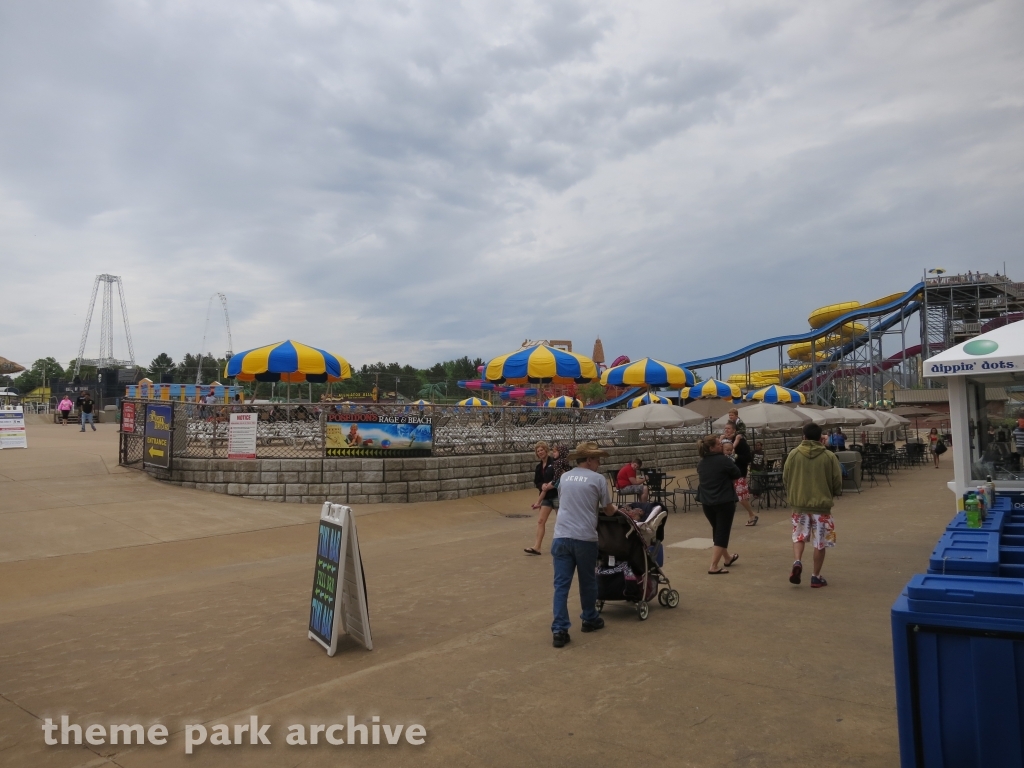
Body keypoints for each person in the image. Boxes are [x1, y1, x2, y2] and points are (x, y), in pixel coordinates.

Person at [549, 441, 618, 648]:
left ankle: (559, 629)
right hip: (584, 537)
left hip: (561, 535)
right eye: (596, 459)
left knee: (561, 585)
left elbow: (565, 502)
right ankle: (589, 617)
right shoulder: (598, 479)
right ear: (589, 460)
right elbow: (608, 509)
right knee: (587, 581)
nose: (598, 463)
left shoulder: (564, 477)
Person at [784, 422, 843, 588]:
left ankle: (797, 561)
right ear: (820, 438)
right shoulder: (829, 456)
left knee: (799, 537)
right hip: (821, 507)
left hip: (799, 505)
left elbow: (785, 477)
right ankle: (816, 576)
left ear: (804, 436)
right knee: (820, 542)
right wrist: (834, 492)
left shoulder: (794, 454)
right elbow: (837, 481)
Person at [695, 434, 741, 574]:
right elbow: (737, 473)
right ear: (712, 448)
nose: (721, 445)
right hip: (724, 501)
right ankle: (713, 566)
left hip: (707, 502)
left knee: (717, 529)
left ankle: (727, 558)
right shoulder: (723, 460)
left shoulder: (701, 463)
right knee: (722, 532)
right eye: (718, 444)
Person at [525, 441, 557, 555]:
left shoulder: (554, 462)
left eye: (542, 450)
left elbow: (558, 477)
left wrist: (549, 485)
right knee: (540, 521)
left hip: (556, 495)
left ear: (546, 450)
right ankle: (537, 547)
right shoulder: (539, 467)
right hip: (545, 497)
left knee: (561, 521)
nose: (540, 452)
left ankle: (562, 546)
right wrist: (541, 485)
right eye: (538, 451)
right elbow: (537, 481)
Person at [723, 423, 756, 525]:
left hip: (739, 473)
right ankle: (727, 519)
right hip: (728, 475)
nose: (726, 430)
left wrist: (735, 456)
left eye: (728, 429)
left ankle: (752, 515)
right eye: (725, 429)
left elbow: (748, 458)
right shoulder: (725, 442)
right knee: (730, 498)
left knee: (741, 497)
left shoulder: (741, 442)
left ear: (734, 430)